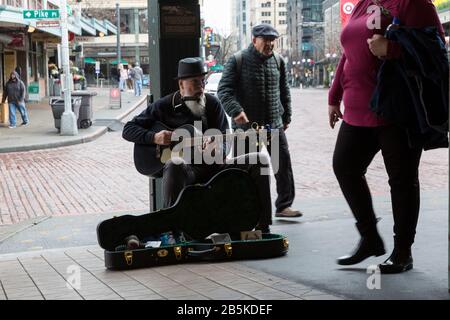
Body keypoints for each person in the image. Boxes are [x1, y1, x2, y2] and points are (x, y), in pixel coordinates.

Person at [328, 0, 446, 273]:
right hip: (357, 108)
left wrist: (393, 49)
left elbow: (437, 53)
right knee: (345, 166)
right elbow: (347, 53)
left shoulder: (414, 4)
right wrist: (334, 96)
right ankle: (370, 238)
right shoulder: (363, 4)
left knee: (402, 180)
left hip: (396, 109)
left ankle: (402, 252)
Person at [123, 57, 273, 233]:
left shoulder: (212, 104)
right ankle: (172, 232)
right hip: (188, 170)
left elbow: (226, 138)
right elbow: (128, 129)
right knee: (175, 162)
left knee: (260, 160)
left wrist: (219, 149)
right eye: (195, 82)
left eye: (203, 81)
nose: (201, 87)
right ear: (181, 85)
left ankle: (263, 227)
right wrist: (154, 137)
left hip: (214, 166)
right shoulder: (164, 106)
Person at [217, 23, 302, 219]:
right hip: (246, 128)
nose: (270, 45)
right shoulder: (237, 60)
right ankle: (245, 209)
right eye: (266, 41)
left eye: (273, 41)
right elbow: (224, 91)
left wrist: (286, 116)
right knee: (245, 169)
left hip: (274, 123)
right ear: (254, 40)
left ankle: (284, 205)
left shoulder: (279, 61)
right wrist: (236, 111)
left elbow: (284, 92)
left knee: (283, 165)